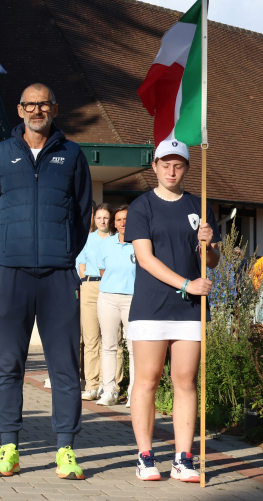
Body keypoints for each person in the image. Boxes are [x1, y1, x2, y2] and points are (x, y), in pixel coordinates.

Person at [0, 83, 93, 480]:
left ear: (54, 108)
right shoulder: (0, 154)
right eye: (29, 104)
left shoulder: (72, 155)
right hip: (11, 275)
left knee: (65, 366)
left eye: (43, 104)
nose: (36, 110)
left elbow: (82, 214)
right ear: (19, 109)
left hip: (58, 276)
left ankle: (65, 448)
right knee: (7, 363)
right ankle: (8, 446)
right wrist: (6, 256)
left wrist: (62, 252)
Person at [126, 139, 219, 482]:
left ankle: (183, 458)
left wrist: (207, 246)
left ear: (187, 169)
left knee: (185, 382)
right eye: (165, 164)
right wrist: (185, 284)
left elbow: (211, 260)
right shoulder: (142, 206)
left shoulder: (199, 204)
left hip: (189, 310)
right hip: (151, 306)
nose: (171, 170)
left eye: (178, 165)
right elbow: (146, 259)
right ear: (154, 166)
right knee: (147, 381)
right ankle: (146, 456)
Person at [95, 205, 136, 407]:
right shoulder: (106, 244)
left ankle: (134, 393)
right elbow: (103, 272)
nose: (123, 223)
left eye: (126, 219)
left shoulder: (140, 243)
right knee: (109, 346)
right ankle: (109, 390)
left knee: (134, 347)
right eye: (118, 220)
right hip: (108, 298)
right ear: (114, 223)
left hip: (133, 299)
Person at [76, 204, 115, 401]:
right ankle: (92, 385)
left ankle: (111, 385)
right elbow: (81, 265)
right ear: (94, 219)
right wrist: (87, 281)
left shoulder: (117, 240)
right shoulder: (87, 239)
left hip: (110, 288)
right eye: (99, 217)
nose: (102, 221)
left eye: (106, 218)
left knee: (110, 339)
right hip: (90, 287)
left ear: (110, 219)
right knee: (91, 339)